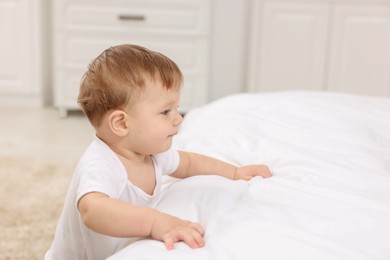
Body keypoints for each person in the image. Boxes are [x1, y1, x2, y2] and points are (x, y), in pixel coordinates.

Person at [45, 44, 272, 260]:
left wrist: (234, 172)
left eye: (176, 109)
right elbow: (93, 211)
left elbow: (189, 163)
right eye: (165, 112)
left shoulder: (150, 152)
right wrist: (155, 222)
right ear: (122, 124)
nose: (178, 118)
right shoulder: (100, 164)